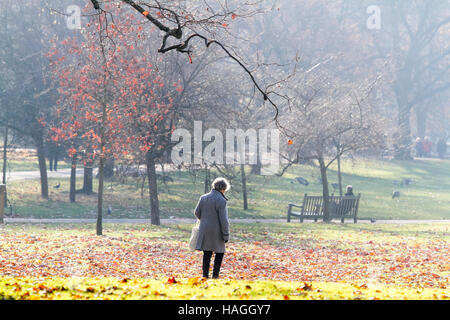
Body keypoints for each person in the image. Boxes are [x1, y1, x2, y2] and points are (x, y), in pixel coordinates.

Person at [194, 177, 230, 279]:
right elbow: (224, 220)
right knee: (219, 252)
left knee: (207, 253)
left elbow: (196, 212)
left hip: (204, 229)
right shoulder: (221, 201)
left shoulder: (203, 197)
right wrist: (226, 234)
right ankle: (215, 275)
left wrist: (205, 220)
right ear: (223, 189)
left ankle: (205, 275)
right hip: (217, 231)